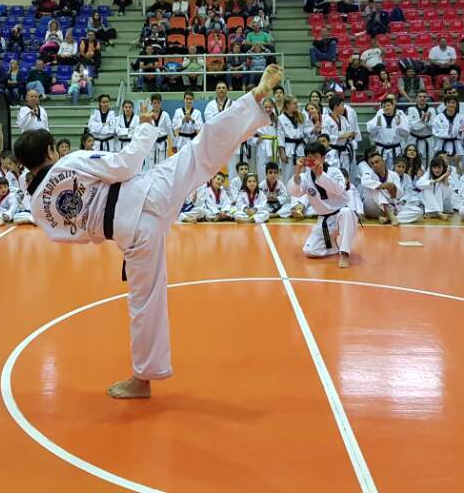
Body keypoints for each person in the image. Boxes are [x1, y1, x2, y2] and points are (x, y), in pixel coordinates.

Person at [14, 64, 283, 399]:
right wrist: (144, 127)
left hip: (130, 233)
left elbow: (80, 236)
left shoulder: (39, 209)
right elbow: (125, 165)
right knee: (201, 149)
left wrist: (104, 223)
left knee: (145, 303)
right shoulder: (69, 163)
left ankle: (142, 380)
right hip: (148, 192)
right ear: (52, 152)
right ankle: (254, 99)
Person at [288, 142, 360, 268]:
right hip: (324, 220)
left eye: (315, 156)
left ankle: (344, 253)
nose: (312, 159)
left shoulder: (334, 172)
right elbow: (295, 193)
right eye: (308, 156)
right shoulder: (305, 177)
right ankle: (333, 247)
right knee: (310, 251)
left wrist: (321, 175)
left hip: (340, 215)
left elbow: (338, 189)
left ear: (323, 158)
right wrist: (297, 173)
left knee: (347, 212)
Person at [367, 95, 409, 168]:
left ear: (393, 106)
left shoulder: (400, 115)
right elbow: (371, 131)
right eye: (384, 106)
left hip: (395, 149)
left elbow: (406, 133)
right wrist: (377, 125)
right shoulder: (379, 116)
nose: (386, 107)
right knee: (380, 170)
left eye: (388, 105)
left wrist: (399, 125)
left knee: (395, 170)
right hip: (381, 149)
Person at [360, 151, 401, 224]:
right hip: (370, 207)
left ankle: (386, 217)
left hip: (386, 207)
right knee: (375, 189)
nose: (375, 165)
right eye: (372, 163)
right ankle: (391, 216)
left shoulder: (394, 175)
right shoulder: (369, 172)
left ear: (383, 161)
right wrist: (382, 185)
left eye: (377, 162)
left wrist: (394, 189)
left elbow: (399, 195)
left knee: (416, 210)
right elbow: (364, 181)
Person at [432, 97, 464, 173]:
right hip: (442, 145)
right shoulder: (438, 117)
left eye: (453, 102)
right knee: (442, 166)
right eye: (449, 102)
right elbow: (435, 131)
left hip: (457, 146)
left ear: (456, 104)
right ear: (445, 104)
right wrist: (450, 132)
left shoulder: (461, 118)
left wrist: (458, 133)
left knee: (458, 166)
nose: (451, 105)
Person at [277, 95, 307, 183]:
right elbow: (280, 136)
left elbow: (305, 132)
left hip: (301, 149)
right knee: (288, 175)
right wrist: (282, 152)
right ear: (287, 105)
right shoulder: (281, 118)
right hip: (288, 150)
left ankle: (301, 192)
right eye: (294, 103)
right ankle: (288, 192)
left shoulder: (300, 116)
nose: (297, 105)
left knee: (301, 174)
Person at [144, 93, 174, 170]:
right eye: (154, 103)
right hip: (152, 144)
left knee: (162, 165)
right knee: (151, 165)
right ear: (151, 104)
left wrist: (173, 144)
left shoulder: (165, 115)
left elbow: (169, 130)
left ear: (161, 103)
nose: (156, 105)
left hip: (162, 143)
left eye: (158, 103)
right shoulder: (148, 115)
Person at [406, 92, 434, 165]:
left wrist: (428, 121)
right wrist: (422, 121)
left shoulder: (432, 110)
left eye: (424, 97)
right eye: (420, 96)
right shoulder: (410, 110)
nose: (422, 98)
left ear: (427, 98)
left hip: (428, 140)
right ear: (416, 99)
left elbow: (434, 126)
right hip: (414, 139)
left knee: (428, 161)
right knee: (411, 160)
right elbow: (411, 126)